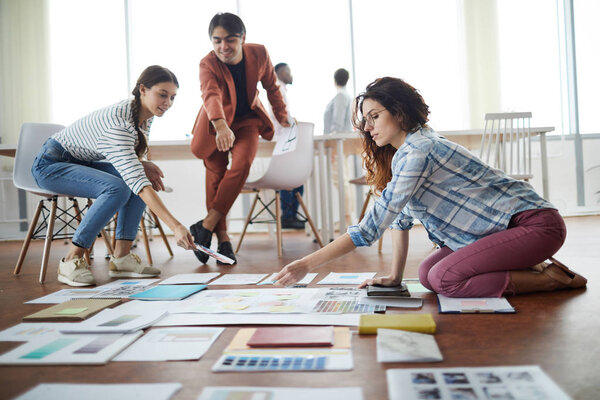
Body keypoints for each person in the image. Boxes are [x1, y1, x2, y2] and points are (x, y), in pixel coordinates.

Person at [274, 77, 587, 297]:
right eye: (365, 120)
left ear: (398, 113)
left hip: (535, 226)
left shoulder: (420, 151)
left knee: (444, 279)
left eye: (374, 116)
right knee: (426, 274)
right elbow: (400, 219)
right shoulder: (405, 154)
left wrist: (306, 264)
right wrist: (395, 277)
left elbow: (370, 229)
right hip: (504, 230)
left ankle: (550, 279)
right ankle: (526, 265)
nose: (368, 128)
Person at [32, 65, 196, 287]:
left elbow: (133, 168)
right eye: (162, 95)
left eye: (173, 97)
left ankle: (122, 259)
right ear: (143, 90)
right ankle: (70, 260)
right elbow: (137, 182)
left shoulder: (143, 115)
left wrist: (141, 164)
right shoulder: (119, 124)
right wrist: (175, 226)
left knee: (132, 180)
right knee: (118, 187)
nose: (168, 103)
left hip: (82, 162)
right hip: (52, 165)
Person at [190, 12, 290, 265]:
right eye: (217, 41)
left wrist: (282, 115)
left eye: (230, 40)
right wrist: (221, 125)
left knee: (242, 164)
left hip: (247, 122)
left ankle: (205, 225)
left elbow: (271, 87)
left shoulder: (259, 53)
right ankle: (224, 240)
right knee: (215, 177)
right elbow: (210, 95)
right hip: (216, 123)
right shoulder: (207, 64)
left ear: (243, 38)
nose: (224, 47)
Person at [271, 62, 304, 230]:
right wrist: (293, 122)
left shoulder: (280, 89)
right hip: (282, 141)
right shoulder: (278, 89)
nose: (290, 74)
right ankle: (288, 216)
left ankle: (289, 215)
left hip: (282, 141)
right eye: (287, 71)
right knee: (293, 178)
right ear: (279, 72)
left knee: (293, 178)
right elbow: (281, 116)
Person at [323, 68, 352, 134]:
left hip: (337, 140)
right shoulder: (347, 95)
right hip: (341, 139)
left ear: (335, 80)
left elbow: (338, 124)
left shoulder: (341, 96)